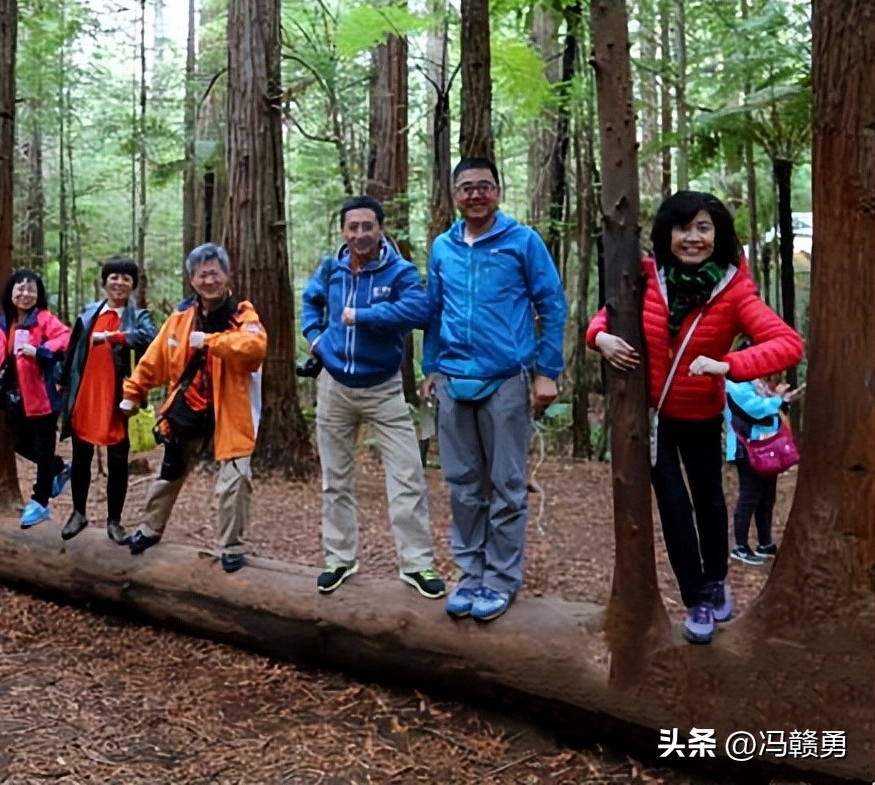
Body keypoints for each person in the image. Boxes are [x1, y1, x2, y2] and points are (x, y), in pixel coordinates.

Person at [587, 190, 802, 644]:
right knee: (674, 508)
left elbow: (788, 344)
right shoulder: (647, 277)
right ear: (667, 234)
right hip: (654, 421)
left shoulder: (734, 289)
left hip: (703, 414)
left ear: (718, 234)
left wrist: (729, 364)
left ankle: (717, 578)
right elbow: (605, 318)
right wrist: (598, 339)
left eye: (703, 228)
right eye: (683, 228)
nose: (692, 238)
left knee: (709, 502)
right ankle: (697, 599)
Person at [421, 157, 567, 622]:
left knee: (506, 484)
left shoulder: (522, 241)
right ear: (454, 195)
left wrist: (547, 371)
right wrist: (430, 367)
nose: (475, 195)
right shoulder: (443, 247)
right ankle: (470, 574)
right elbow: (434, 311)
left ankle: (501, 579)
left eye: (484, 186)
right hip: (452, 379)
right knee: (463, 485)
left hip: (506, 377)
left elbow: (552, 304)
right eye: (466, 187)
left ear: (498, 191)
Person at [301, 195, 445, 599]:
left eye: (368, 226)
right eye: (353, 227)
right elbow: (310, 302)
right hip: (334, 387)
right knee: (335, 480)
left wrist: (363, 316)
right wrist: (315, 339)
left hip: (384, 389)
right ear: (343, 231)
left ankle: (417, 565)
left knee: (407, 477)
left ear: (380, 229)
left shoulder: (399, 272)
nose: (360, 234)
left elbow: (418, 312)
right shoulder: (330, 268)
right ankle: (339, 559)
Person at [118, 244, 266, 573]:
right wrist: (134, 391)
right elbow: (154, 359)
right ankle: (149, 528)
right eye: (202, 275)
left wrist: (212, 342)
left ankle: (231, 546)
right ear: (192, 279)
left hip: (231, 411)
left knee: (235, 479)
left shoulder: (242, 315)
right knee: (170, 472)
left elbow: (254, 347)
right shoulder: (181, 318)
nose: (209, 280)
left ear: (227, 275)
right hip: (188, 408)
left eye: (215, 273)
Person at [55, 257, 157, 543]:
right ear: (104, 282)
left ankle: (114, 521)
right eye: (114, 277)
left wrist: (116, 337)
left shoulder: (139, 317)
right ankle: (78, 513)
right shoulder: (90, 313)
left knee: (118, 461)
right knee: (81, 457)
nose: (119, 283)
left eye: (126, 278)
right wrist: (63, 379)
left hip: (118, 397)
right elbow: (74, 348)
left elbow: (150, 338)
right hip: (85, 393)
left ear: (133, 285)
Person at [0, 269, 72, 529]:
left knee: (44, 448)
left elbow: (66, 337)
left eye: (31, 290)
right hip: (14, 397)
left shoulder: (43, 319)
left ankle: (40, 502)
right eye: (20, 289)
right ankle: (58, 469)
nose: (25, 294)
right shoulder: (4, 323)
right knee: (18, 443)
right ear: (11, 292)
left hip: (42, 396)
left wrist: (41, 351)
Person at [724, 371, 797, 565]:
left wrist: (782, 401)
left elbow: (771, 412)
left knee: (767, 496)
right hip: (746, 448)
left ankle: (765, 543)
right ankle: (740, 546)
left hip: (767, 446)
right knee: (750, 496)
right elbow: (755, 409)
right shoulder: (735, 384)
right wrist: (777, 399)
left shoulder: (757, 384)